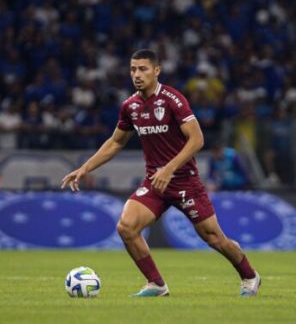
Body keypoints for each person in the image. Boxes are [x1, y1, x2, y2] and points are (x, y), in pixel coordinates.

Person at [61, 49, 260, 297]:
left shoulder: (173, 100)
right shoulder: (130, 106)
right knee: (126, 227)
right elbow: (115, 142)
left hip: (184, 181)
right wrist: (85, 168)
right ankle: (156, 284)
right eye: (133, 69)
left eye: (143, 69)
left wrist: (170, 168)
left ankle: (250, 276)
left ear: (157, 70)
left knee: (214, 238)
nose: (137, 74)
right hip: (155, 182)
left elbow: (197, 139)